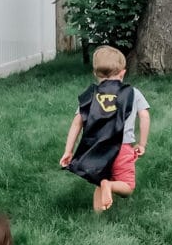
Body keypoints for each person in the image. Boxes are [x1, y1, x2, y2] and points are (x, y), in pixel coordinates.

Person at [59, 45, 151, 212]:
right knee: (127, 187)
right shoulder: (132, 92)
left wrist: (68, 150)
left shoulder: (91, 95)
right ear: (122, 73)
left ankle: (98, 218)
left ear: (95, 73)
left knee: (100, 181)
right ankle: (110, 185)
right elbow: (144, 116)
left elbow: (77, 123)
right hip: (122, 147)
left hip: (98, 149)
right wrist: (142, 144)